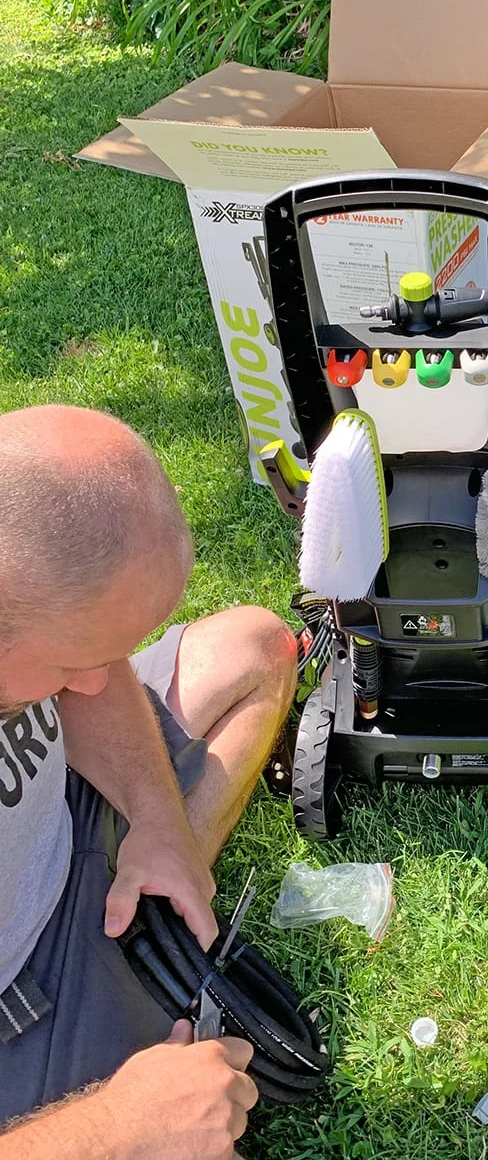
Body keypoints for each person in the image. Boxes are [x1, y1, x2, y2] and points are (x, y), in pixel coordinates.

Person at [0, 404, 299, 1158]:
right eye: (78, 660)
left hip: (63, 820)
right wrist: (117, 1127)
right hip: (21, 987)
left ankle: (154, 903)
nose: (99, 683)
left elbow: (93, 688)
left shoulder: (32, 621)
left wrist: (160, 819)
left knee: (257, 649)